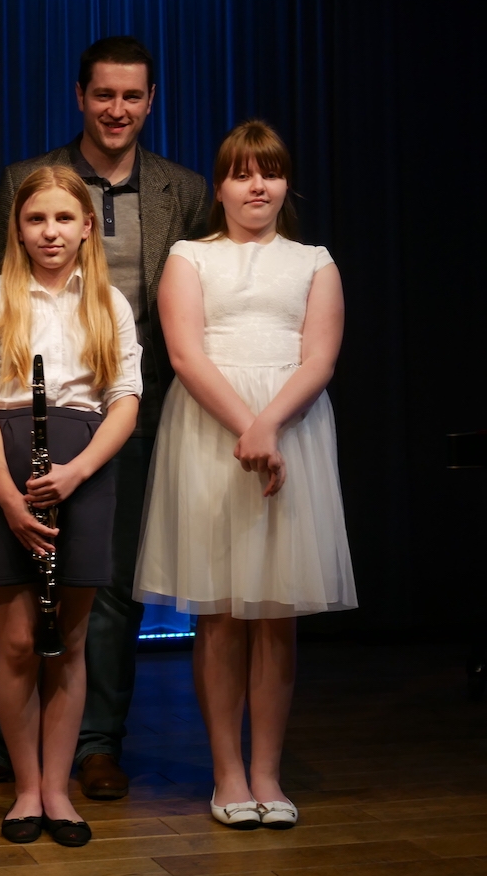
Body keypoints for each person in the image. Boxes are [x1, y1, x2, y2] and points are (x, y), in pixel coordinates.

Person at [0, 36, 208, 800]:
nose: (117, 109)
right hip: (23, 406)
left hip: (129, 407)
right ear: (81, 96)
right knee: (14, 580)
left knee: (110, 585)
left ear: (151, 102)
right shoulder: (25, 178)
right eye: (103, 94)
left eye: (132, 96)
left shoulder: (184, 189)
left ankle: (96, 743)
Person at [133, 120, 357, 830]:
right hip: (210, 429)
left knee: (276, 613)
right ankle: (228, 773)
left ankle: (268, 773)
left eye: (271, 172)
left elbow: (320, 359)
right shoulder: (189, 256)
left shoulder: (315, 261)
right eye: (242, 173)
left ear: (286, 183)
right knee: (222, 612)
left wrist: (270, 425)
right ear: (221, 186)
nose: (257, 185)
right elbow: (185, 353)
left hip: (292, 428)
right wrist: (245, 425)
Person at [0, 166, 141, 846]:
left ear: (87, 226)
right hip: (5, 467)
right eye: (36, 219)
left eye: (65, 218)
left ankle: (59, 790)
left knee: (69, 641)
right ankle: (27, 789)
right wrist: (7, 496)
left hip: (81, 471)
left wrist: (78, 471)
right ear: (18, 228)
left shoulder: (109, 303)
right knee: (14, 641)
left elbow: (125, 400)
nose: (51, 232)